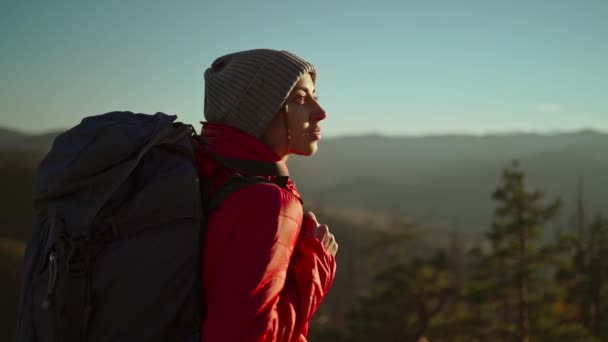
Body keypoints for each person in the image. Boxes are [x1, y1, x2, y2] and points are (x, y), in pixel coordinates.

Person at [193, 49, 338, 341]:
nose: (320, 112)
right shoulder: (267, 203)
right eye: (299, 98)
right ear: (258, 111)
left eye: (315, 97)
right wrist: (316, 267)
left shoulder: (204, 168)